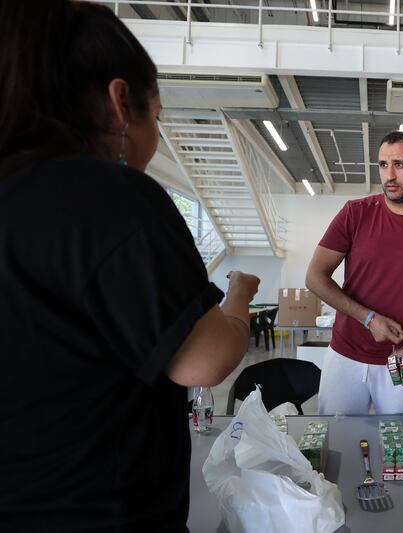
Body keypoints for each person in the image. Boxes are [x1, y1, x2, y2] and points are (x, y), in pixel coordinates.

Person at [0, 2, 260, 531]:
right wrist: (239, 297)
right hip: (99, 509)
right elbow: (204, 361)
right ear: (121, 103)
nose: (155, 137)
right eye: (157, 117)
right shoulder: (111, 201)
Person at [306, 131, 403, 415]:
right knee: (334, 440)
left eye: (399, 165)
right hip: (346, 355)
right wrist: (368, 319)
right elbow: (315, 277)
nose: (389, 175)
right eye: (382, 165)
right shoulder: (355, 213)